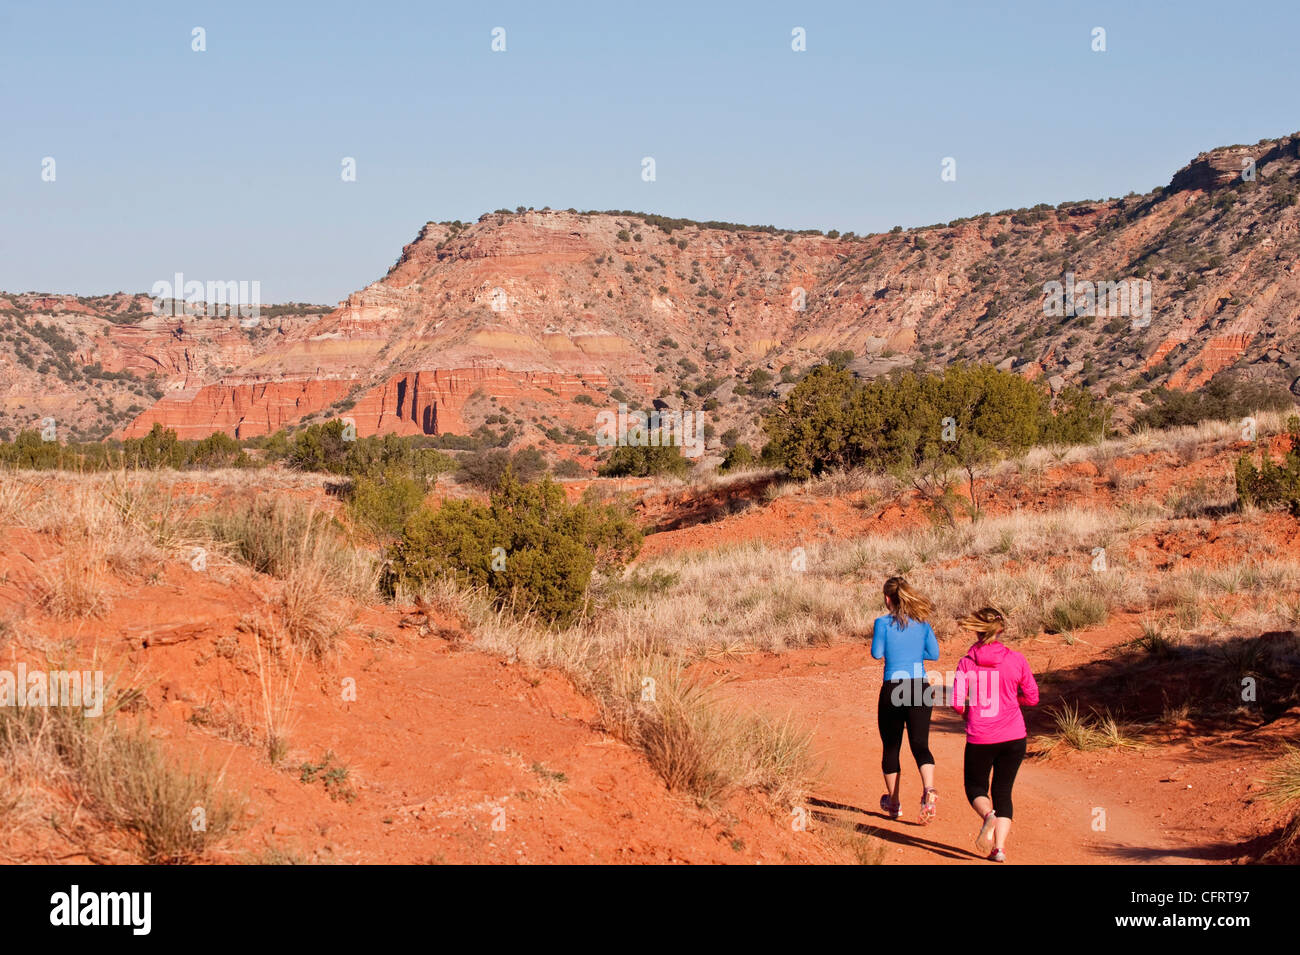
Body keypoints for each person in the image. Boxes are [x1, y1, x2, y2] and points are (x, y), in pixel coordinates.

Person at [952, 607, 1039, 862]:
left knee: (975, 786)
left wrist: (969, 712)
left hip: (981, 736)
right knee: (1003, 792)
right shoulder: (1017, 659)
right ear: (1000, 629)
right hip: (1014, 736)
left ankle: (987, 815)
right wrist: (1012, 701)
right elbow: (1032, 697)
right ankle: (999, 849)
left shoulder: (966, 663)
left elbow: (957, 703)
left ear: (978, 630)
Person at [871, 576, 940, 823]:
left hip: (893, 686)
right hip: (919, 686)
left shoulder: (882, 623)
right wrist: (913, 652)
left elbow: (877, 653)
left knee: (891, 747)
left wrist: (895, 650)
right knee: (920, 745)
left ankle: (894, 803)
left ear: (888, 599)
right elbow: (934, 654)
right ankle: (929, 789)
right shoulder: (922, 624)